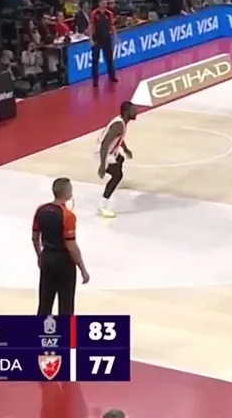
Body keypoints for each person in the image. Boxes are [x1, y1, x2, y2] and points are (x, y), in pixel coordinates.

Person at [33, 177, 90, 315]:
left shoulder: (41, 210)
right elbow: (71, 246)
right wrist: (82, 269)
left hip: (47, 257)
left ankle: (39, 328)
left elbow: (35, 237)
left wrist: (40, 255)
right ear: (67, 193)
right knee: (66, 304)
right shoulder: (68, 216)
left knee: (45, 302)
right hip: (63, 261)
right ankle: (66, 329)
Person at [96, 101, 138, 218]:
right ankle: (102, 205)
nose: (136, 112)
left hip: (110, 151)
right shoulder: (118, 125)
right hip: (103, 152)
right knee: (117, 176)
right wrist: (102, 165)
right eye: (133, 110)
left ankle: (115, 182)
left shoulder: (122, 123)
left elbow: (119, 137)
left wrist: (125, 149)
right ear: (126, 112)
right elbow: (105, 144)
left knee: (120, 159)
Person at [89, 0, 118, 88]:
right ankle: (95, 80)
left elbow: (112, 25)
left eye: (106, 3)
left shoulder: (109, 13)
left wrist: (115, 36)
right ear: (99, 3)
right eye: (103, 3)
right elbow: (91, 26)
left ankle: (112, 76)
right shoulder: (94, 13)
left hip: (107, 38)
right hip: (97, 38)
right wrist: (90, 39)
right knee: (95, 60)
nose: (105, 5)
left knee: (109, 58)